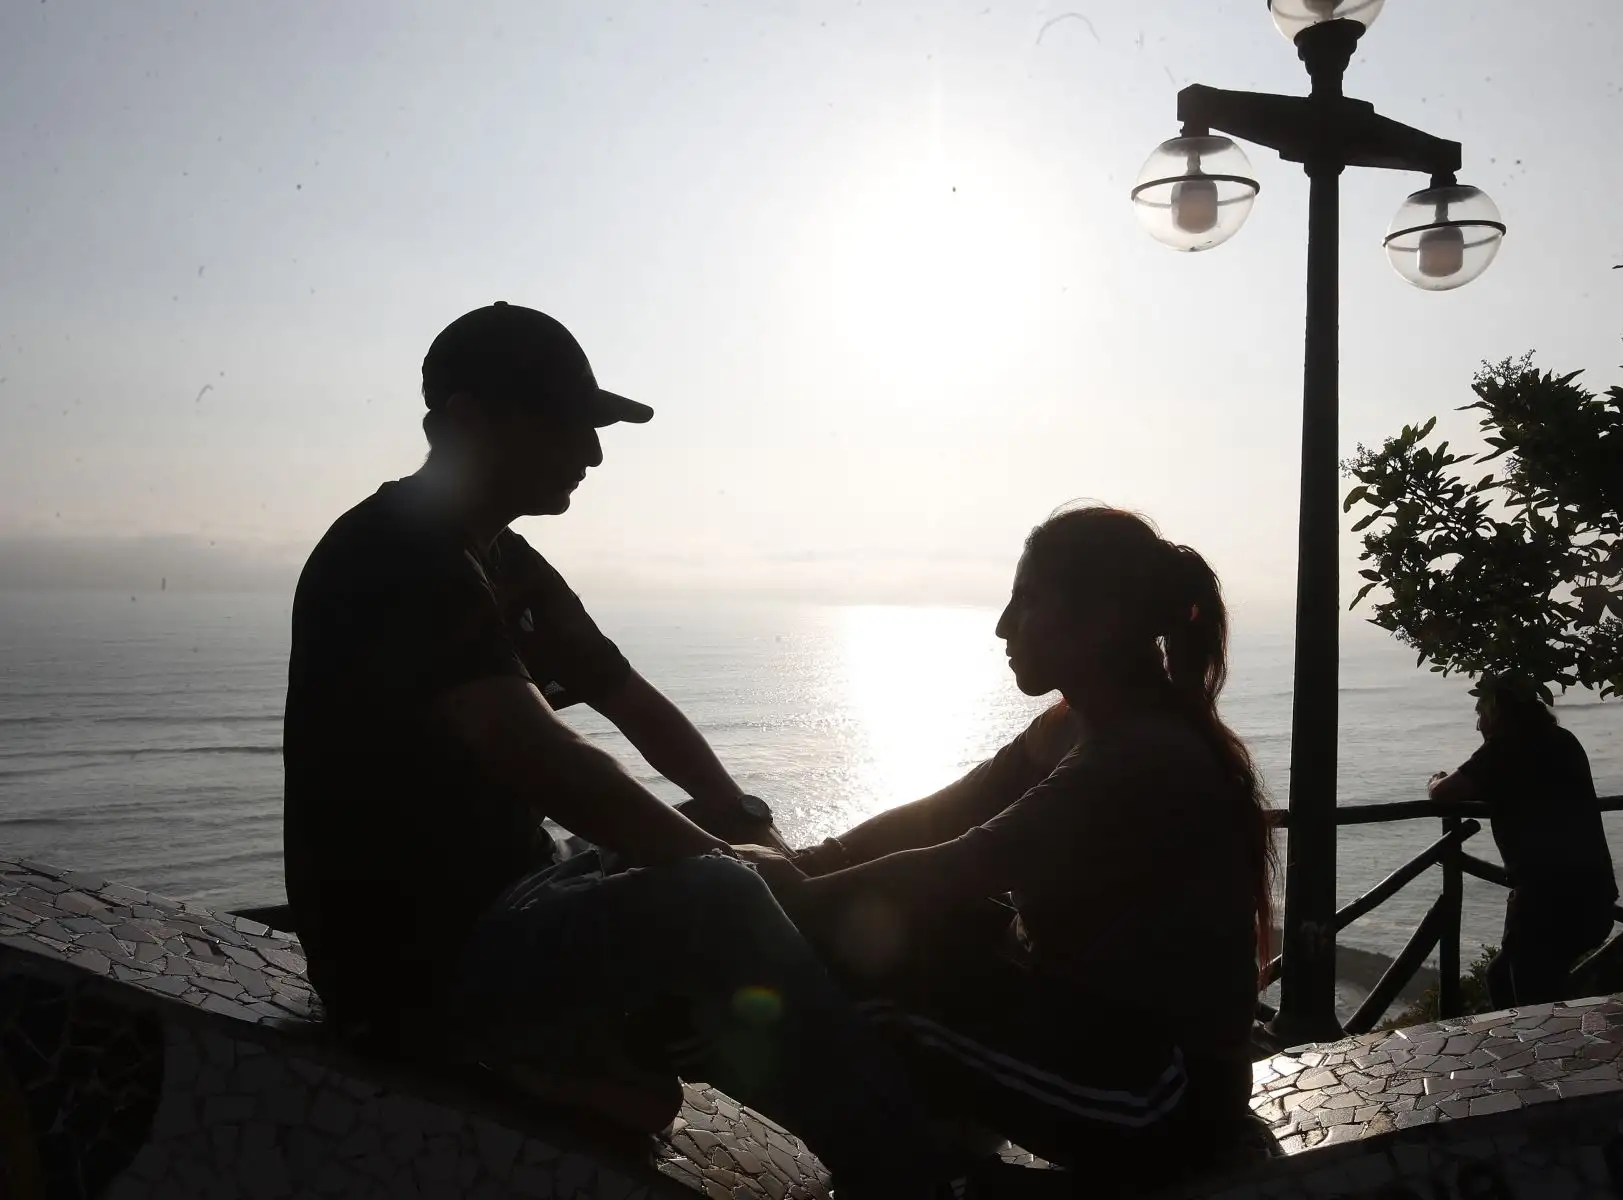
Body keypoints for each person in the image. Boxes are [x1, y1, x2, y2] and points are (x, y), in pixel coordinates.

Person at [281, 302, 973, 1199]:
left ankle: (596, 1060)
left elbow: (630, 702)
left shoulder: (500, 560)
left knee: (721, 852)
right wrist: (737, 868)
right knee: (721, 896)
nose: (594, 454)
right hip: (415, 969)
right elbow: (539, 753)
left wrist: (739, 817)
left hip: (509, 901)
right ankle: (909, 1176)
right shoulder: (396, 555)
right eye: (570, 424)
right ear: (469, 418)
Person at [741, 505, 1276, 1188]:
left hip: (1163, 1101)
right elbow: (943, 814)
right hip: (1111, 1045)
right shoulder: (1076, 724)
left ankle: (925, 1181)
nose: (1002, 626)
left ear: (1100, 620)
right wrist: (815, 862)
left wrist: (781, 900)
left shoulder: (1141, 754)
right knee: (888, 932)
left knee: (869, 992)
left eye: (1025, 601)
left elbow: (965, 863)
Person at [1427, 680, 1619, 1008]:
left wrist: (1434, 780)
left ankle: (1547, 1041)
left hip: (1545, 902)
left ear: (1497, 713)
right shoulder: (1563, 740)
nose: (1478, 725)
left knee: (1534, 1003)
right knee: (1508, 979)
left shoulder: (1505, 748)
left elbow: (1444, 793)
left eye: (1481, 715)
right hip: (1595, 894)